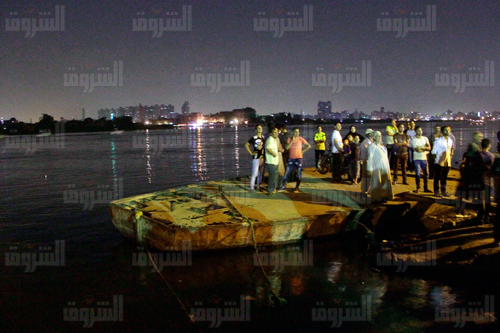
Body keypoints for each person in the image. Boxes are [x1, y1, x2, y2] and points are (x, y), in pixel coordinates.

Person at [469, 139, 495, 224]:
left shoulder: (478, 156)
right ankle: (487, 217)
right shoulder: (492, 156)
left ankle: (480, 218)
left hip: (480, 179)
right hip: (489, 180)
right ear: (489, 145)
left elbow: (472, 167)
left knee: (480, 199)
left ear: (481, 145)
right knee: (488, 200)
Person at [280, 127, 311, 192]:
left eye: (298, 132)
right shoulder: (289, 139)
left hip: (299, 158)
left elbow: (308, 146)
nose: (297, 133)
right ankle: (283, 186)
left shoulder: (301, 139)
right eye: (296, 132)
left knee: (299, 174)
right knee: (286, 173)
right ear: (292, 132)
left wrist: (302, 151)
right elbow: (287, 148)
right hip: (291, 159)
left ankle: (297, 187)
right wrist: (292, 140)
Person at [367, 131, 394, 203]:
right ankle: (375, 198)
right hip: (377, 167)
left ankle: (384, 196)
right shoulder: (372, 146)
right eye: (378, 136)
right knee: (376, 183)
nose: (380, 137)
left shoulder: (384, 147)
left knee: (385, 182)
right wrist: (369, 168)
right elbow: (370, 157)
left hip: (385, 167)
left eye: (380, 136)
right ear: (374, 137)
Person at [431, 126, 453, 197]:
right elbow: (433, 152)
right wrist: (436, 160)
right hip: (439, 162)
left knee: (444, 178)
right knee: (437, 177)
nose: (447, 131)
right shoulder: (438, 141)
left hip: (447, 162)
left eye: (448, 130)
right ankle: (436, 192)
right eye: (445, 130)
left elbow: (450, 149)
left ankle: (443, 191)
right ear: (442, 132)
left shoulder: (450, 140)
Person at [411, 126, 432, 193]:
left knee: (426, 174)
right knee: (418, 174)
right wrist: (425, 148)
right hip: (417, 158)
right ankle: (418, 187)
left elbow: (429, 148)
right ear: (415, 131)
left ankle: (426, 187)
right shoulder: (414, 140)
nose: (420, 132)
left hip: (424, 158)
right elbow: (417, 150)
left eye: (421, 130)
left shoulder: (425, 138)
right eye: (418, 130)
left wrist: (422, 148)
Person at [245, 124, 265, 191]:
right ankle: (251, 187)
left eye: (261, 128)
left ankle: (258, 186)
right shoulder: (254, 138)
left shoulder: (263, 137)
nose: (260, 129)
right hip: (256, 157)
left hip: (262, 157)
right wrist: (251, 153)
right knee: (254, 173)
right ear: (256, 130)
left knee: (260, 173)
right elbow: (246, 145)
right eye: (259, 128)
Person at [265, 127, 283, 196]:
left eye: (277, 132)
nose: (276, 134)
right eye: (275, 132)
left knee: (274, 176)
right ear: (271, 133)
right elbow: (268, 148)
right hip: (271, 161)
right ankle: (270, 191)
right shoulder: (270, 139)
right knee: (272, 177)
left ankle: (273, 190)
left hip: (274, 162)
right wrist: (274, 154)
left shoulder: (273, 140)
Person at [360, 129, 374, 194]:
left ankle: (368, 190)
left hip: (371, 162)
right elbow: (363, 154)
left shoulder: (371, 142)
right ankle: (364, 191)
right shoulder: (364, 143)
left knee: (370, 177)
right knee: (366, 177)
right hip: (366, 162)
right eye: (371, 133)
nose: (372, 135)